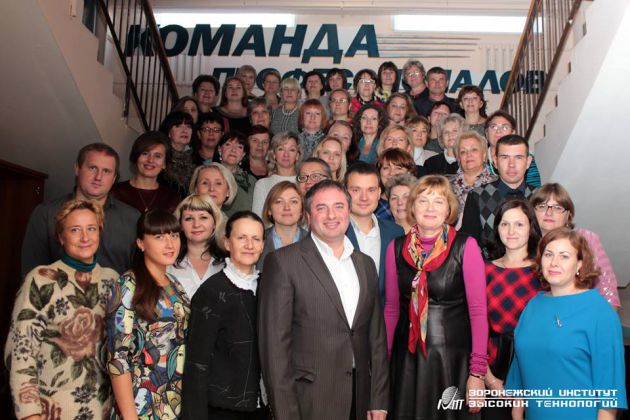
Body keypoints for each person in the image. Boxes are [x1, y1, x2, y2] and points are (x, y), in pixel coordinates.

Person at [258, 180, 389, 420]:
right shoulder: (282, 263)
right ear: (308, 216)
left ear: (348, 211)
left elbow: (376, 337)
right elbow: (274, 349)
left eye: (339, 206)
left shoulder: (365, 265)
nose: (331, 215)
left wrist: (378, 400)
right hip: (309, 402)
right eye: (321, 208)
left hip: (360, 401)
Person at [384, 175, 488, 419]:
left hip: (451, 361)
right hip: (406, 361)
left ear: (449, 209)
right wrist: (384, 365)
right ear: (412, 207)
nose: (430, 208)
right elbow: (391, 310)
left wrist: (477, 373)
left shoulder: (466, 246)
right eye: (423, 200)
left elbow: (478, 312)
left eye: (438, 201)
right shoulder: (395, 248)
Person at [6, 199, 118, 420]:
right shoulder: (41, 279)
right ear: (61, 237)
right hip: (52, 411)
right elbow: (21, 352)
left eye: (91, 229)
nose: (85, 237)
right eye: (75, 230)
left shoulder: (112, 280)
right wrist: (29, 414)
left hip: (104, 410)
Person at [505, 228, 627, 419]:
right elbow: (519, 369)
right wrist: (517, 414)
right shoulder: (533, 305)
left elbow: (610, 391)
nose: (554, 262)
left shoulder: (599, 311)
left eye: (564, 256)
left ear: (579, 264)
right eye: (548, 254)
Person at [182, 211, 269, 419]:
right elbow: (196, 362)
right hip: (221, 409)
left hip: (262, 407)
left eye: (256, 239)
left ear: (263, 245)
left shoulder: (269, 287)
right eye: (241, 238)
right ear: (227, 243)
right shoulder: (211, 292)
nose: (249, 245)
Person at [106, 209, 189, 419]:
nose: (170, 244)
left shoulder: (175, 285)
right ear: (141, 243)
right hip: (141, 404)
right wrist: (130, 416)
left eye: (174, 235)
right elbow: (118, 358)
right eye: (159, 237)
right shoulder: (127, 285)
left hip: (173, 402)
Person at [21, 143, 139, 276]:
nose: (98, 177)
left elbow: (139, 274)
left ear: (114, 178)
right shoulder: (46, 213)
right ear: (77, 169)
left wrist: (121, 288)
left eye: (106, 171)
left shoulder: (132, 218)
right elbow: (32, 271)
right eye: (92, 168)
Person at [482, 199, 542, 420]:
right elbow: (473, 326)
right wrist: (489, 379)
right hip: (491, 366)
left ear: (531, 228)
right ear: (497, 229)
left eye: (519, 224)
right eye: (505, 224)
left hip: (535, 367)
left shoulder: (544, 272)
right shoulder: (483, 270)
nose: (511, 231)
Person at [530, 183, 621, 307]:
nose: (549, 212)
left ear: (568, 215)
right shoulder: (523, 244)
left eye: (557, 207)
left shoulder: (587, 239)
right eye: (542, 206)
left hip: (584, 312)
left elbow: (608, 291)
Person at [460, 135, 535, 258]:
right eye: (505, 157)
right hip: (488, 268)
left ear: (528, 162)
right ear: (495, 161)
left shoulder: (539, 198)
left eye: (518, 157)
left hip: (533, 267)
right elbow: (468, 246)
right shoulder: (478, 196)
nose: (511, 164)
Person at [344, 163, 404, 305]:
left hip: (384, 316)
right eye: (356, 190)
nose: (364, 198)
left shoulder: (395, 232)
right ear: (344, 192)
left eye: (371, 190)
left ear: (378, 193)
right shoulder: (333, 233)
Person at [168, 194, 224, 299]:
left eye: (203, 217)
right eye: (189, 218)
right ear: (180, 225)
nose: (196, 225)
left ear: (215, 223)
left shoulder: (228, 264)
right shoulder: (168, 264)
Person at [111, 131, 181, 213]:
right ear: (136, 157)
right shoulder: (114, 192)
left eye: (157, 156)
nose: (150, 160)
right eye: (145, 153)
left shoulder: (173, 198)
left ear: (164, 164)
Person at [449, 131, 497, 228]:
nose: (468, 154)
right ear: (458, 158)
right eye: (463, 152)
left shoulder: (496, 184)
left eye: (474, 150)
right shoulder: (447, 186)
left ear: (484, 155)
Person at [257, 181, 308, 271]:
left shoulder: (315, 243)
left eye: (293, 202)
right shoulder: (256, 242)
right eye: (279, 202)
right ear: (269, 210)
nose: (287, 207)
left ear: (301, 210)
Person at [484, 110, 541, 188]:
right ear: (486, 133)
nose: (499, 131)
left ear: (512, 132)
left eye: (505, 127)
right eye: (493, 127)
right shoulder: (479, 157)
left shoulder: (526, 156)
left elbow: (535, 189)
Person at [252, 132, 302, 216]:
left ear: (297, 155)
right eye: (281, 149)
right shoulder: (262, 184)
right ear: (274, 154)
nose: (286, 154)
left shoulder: (304, 182)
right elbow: (257, 218)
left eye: (292, 150)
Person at [216, 131, 257, 215]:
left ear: (243, 154)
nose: (233, 150)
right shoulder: (207, 174)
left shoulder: (251, 180)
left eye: (239, 147)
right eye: (228, 145)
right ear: (220, 149)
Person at [159, 110, 197, 198]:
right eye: (178, 126)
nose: (185, 130)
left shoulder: (196, 159)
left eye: (188, 126)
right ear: (169, 132)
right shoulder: (160, 158)